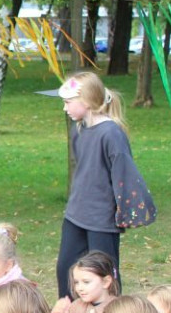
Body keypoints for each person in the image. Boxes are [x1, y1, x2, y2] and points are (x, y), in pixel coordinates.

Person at [55, 72, 156, 298]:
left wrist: (126, 211)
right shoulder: (79, 130)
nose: (65, 108)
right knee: (66, 270)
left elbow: (124, 173)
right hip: (76, 214)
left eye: (68, 102)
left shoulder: (111, 133)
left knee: (104, 276)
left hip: (101, 219)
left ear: (87, 101)